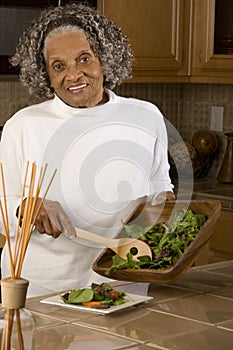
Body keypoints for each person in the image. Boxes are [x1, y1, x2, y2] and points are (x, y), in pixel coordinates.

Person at [0, 3, 175, 297]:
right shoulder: (23, 126)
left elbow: (159, 188)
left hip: (123, 286)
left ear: (104, 59)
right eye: (59, 66)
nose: (74, 75)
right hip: (42, 289)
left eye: (84, 59)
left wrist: (163, 206)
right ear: (46, 74)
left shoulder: (147, 116)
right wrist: (27, 206)